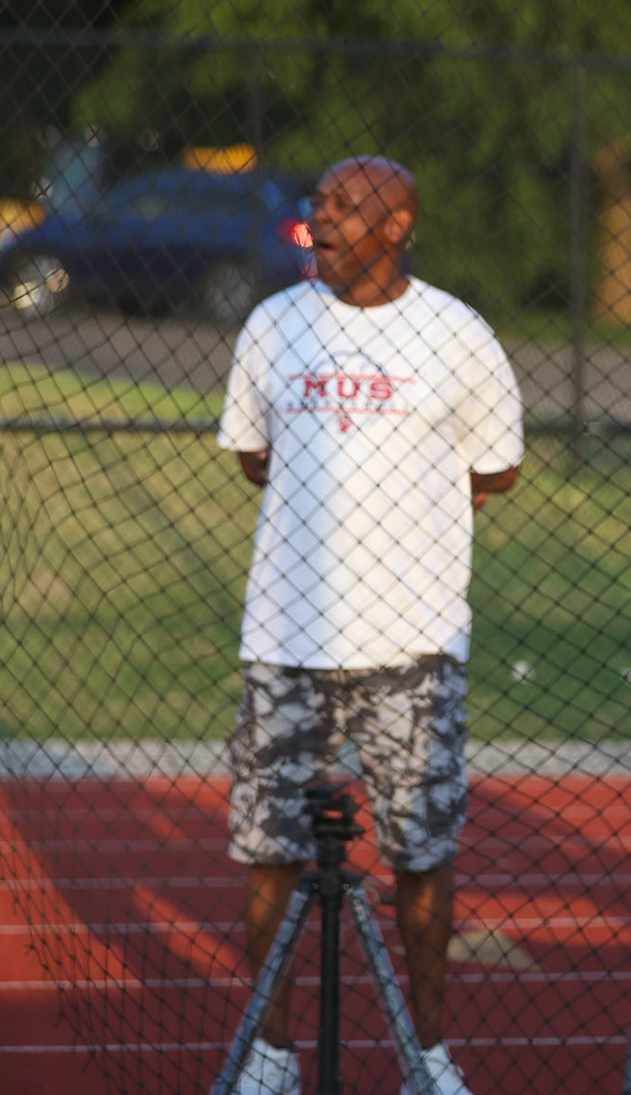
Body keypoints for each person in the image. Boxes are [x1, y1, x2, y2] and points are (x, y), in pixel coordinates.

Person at [217, 157, 524, 1095]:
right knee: (270, 851)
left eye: (347, 208)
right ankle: (271, 1052)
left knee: (421, 856)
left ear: (397, 228)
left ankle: (426, 1059)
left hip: (413, 646)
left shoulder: (455, 334)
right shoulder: (276, 324)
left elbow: (497, 467)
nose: (324, 219)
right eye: (320, 205)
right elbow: (254, 456)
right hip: (285, 639)